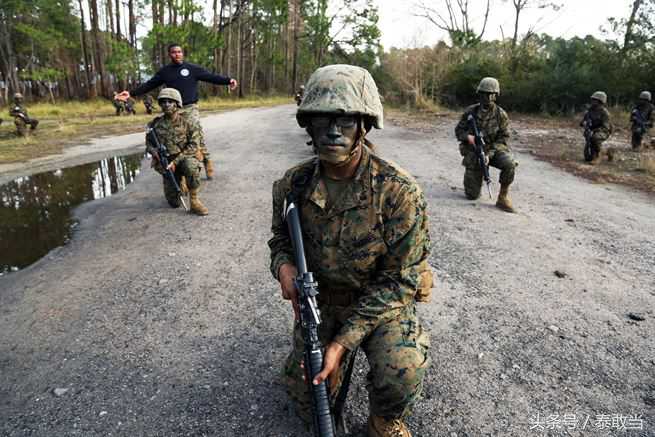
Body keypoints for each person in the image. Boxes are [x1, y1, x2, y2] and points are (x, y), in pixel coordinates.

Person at [268, 64, 433, 437]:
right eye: (321, 118)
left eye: (345, 119)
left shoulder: (398, 191)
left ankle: (384, 420)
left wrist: (342, 343)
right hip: (322, 302)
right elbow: (279, 240)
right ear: (307, 124)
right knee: (308, 399)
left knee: (401, 369)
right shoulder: (292, 185)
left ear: (364, 124)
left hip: (380, 303)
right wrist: (283, 267)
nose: (332, 130)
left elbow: (401, 281)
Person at [117, 43, 238, 180]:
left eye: (179, 52)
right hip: (173, 109)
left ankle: (206, 161)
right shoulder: (165, 72)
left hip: (190, 108)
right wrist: (131, 93)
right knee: (176, 140)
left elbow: (211, 77)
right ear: (170, 54)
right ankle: (182, 173)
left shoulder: (192, 69)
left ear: (182, 53)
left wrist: (228, 80)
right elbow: (150, 84)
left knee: (196, 136)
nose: (177, 54)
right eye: (174, 52)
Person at [454, 77, 517, 213]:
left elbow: (504, 139)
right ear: (479, 93)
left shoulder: (501, 115)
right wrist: (468, 137)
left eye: (490, 94)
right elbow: (458, 130)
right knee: (472, 195)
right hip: (475, 152)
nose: (487, 97)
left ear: (495, 95)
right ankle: (478, 176)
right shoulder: (471, 111)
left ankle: (502, 197)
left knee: (510, 163)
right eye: (484, 93)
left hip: (492, 151)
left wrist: (490, 154)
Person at [145, 88, 208, 216]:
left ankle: (194, 201)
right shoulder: (155, 124)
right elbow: (148, 143)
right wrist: (154, 151)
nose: (166, 104)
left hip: (184, 157)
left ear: (177, 104)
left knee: (191, 166)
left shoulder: (189, 122)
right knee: (174, 203)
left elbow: (193, 145)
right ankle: (179, 181)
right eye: (163, 102)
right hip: (167, 163)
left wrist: (176, 161)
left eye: (170, 101)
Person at [580, 91, 612, 165]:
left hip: (603, 131)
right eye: (593, 99)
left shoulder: (605, 113)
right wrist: (584, 123)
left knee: (595, 138)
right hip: (591, 131)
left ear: (600, 101)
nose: (592, 101)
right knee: (587, 158)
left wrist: (594, 131)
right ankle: (606, 151)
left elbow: (606, 127)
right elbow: (582, 122)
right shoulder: (589, 111)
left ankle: (597, 157)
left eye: (595, 100)